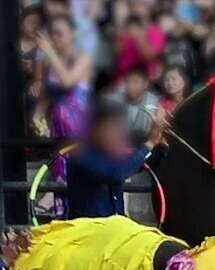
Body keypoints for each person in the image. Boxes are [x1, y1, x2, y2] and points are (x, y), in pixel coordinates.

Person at [66, 99, 163, 219]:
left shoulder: (111, 151)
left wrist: (161, 145)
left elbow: (140, 164)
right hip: (90, 227)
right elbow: (117, 173)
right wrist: (148, 144)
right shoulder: (81, 153)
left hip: (116, 224)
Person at [35, 14, 92, 217]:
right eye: (53, 34)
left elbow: (68, 81)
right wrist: (36, 117)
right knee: (61, 181)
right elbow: (45, 94)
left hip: (80, 129)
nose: (55, 38)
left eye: (59, 33)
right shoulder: (49, 63)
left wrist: (49, 53)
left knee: (78, 181)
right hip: (59, 130)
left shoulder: (83, 58)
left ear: (72, 35)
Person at [115, 0, 166, 85]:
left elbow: (149, 56)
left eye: (140, 5)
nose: (136, 8)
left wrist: (139, 37)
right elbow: (117, 52)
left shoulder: (156, 31)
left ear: (149, 9)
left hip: (145, 82)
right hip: (123, 80)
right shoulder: (126, 29)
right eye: (133, 5)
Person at [108, 66, 160, 144]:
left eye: (135, 82)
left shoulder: (155, 103)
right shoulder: (114, 101)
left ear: (145, 83)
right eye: (128, 82)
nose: (130, 86)